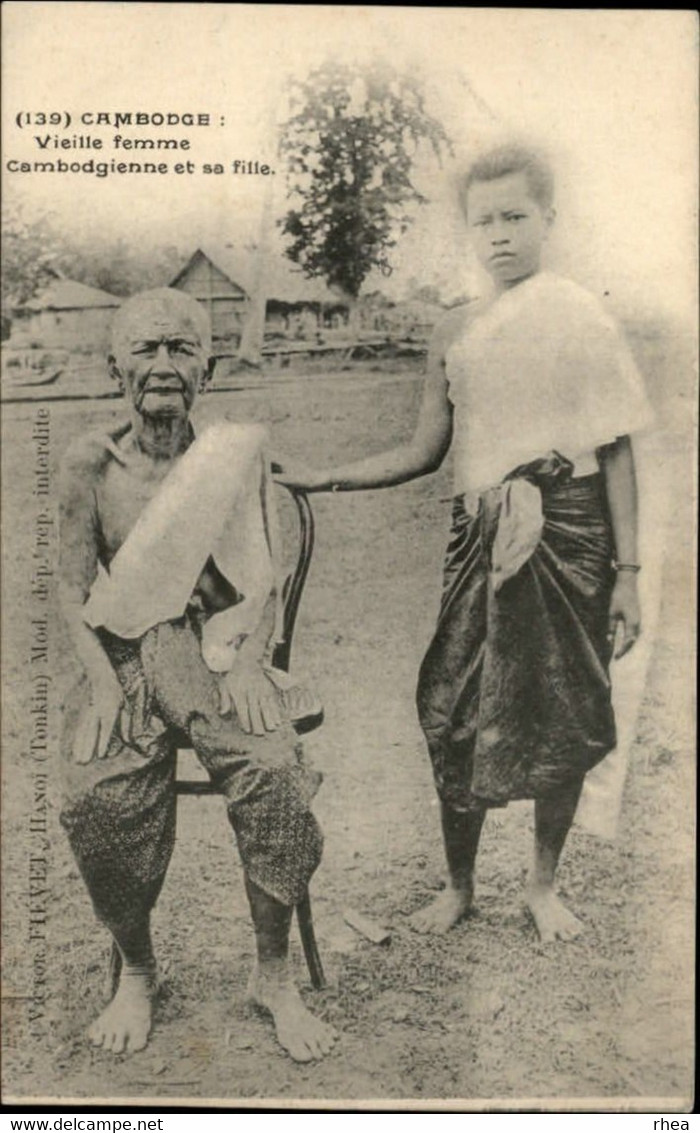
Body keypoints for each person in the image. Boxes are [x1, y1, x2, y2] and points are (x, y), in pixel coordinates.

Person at [276, 144, 653, 942]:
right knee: (452, 710)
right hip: (477, 541)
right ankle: (458, 884)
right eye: (483, 221)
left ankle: (543, 886)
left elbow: (616, 446)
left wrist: (628, 574)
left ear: (549, 219)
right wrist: (320, 476)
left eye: (515, 217)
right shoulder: (454, 328)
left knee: (566, 707)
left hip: (570, 533)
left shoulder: (581, 314)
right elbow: (423, 449)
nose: (500, 236)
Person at [58, 288, 337, 1060]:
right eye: (145, 349)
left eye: (181, 348)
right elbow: (71, 591)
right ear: (115, 364)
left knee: (274, 767)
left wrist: (251, 659)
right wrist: (107, 687)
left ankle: (272, 976)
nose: (163, 366)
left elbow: (266, 578)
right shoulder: (89, 461)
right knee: (92, 791)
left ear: (207, 367)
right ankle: (140, 969)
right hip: (127, 655)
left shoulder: (229, 456)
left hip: (219, 648)